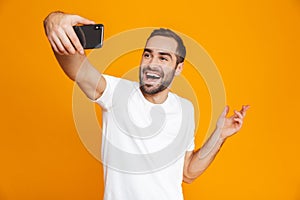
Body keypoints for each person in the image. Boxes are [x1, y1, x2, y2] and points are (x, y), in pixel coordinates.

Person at [43, 11, 250, 200]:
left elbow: (187, 173)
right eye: (147, 54)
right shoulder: (116, 93)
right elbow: (79, 71)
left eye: (163, 58)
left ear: (178, 68)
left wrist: (219, 136)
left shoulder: (186, 109)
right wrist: (53, 22)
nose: (152, 63)